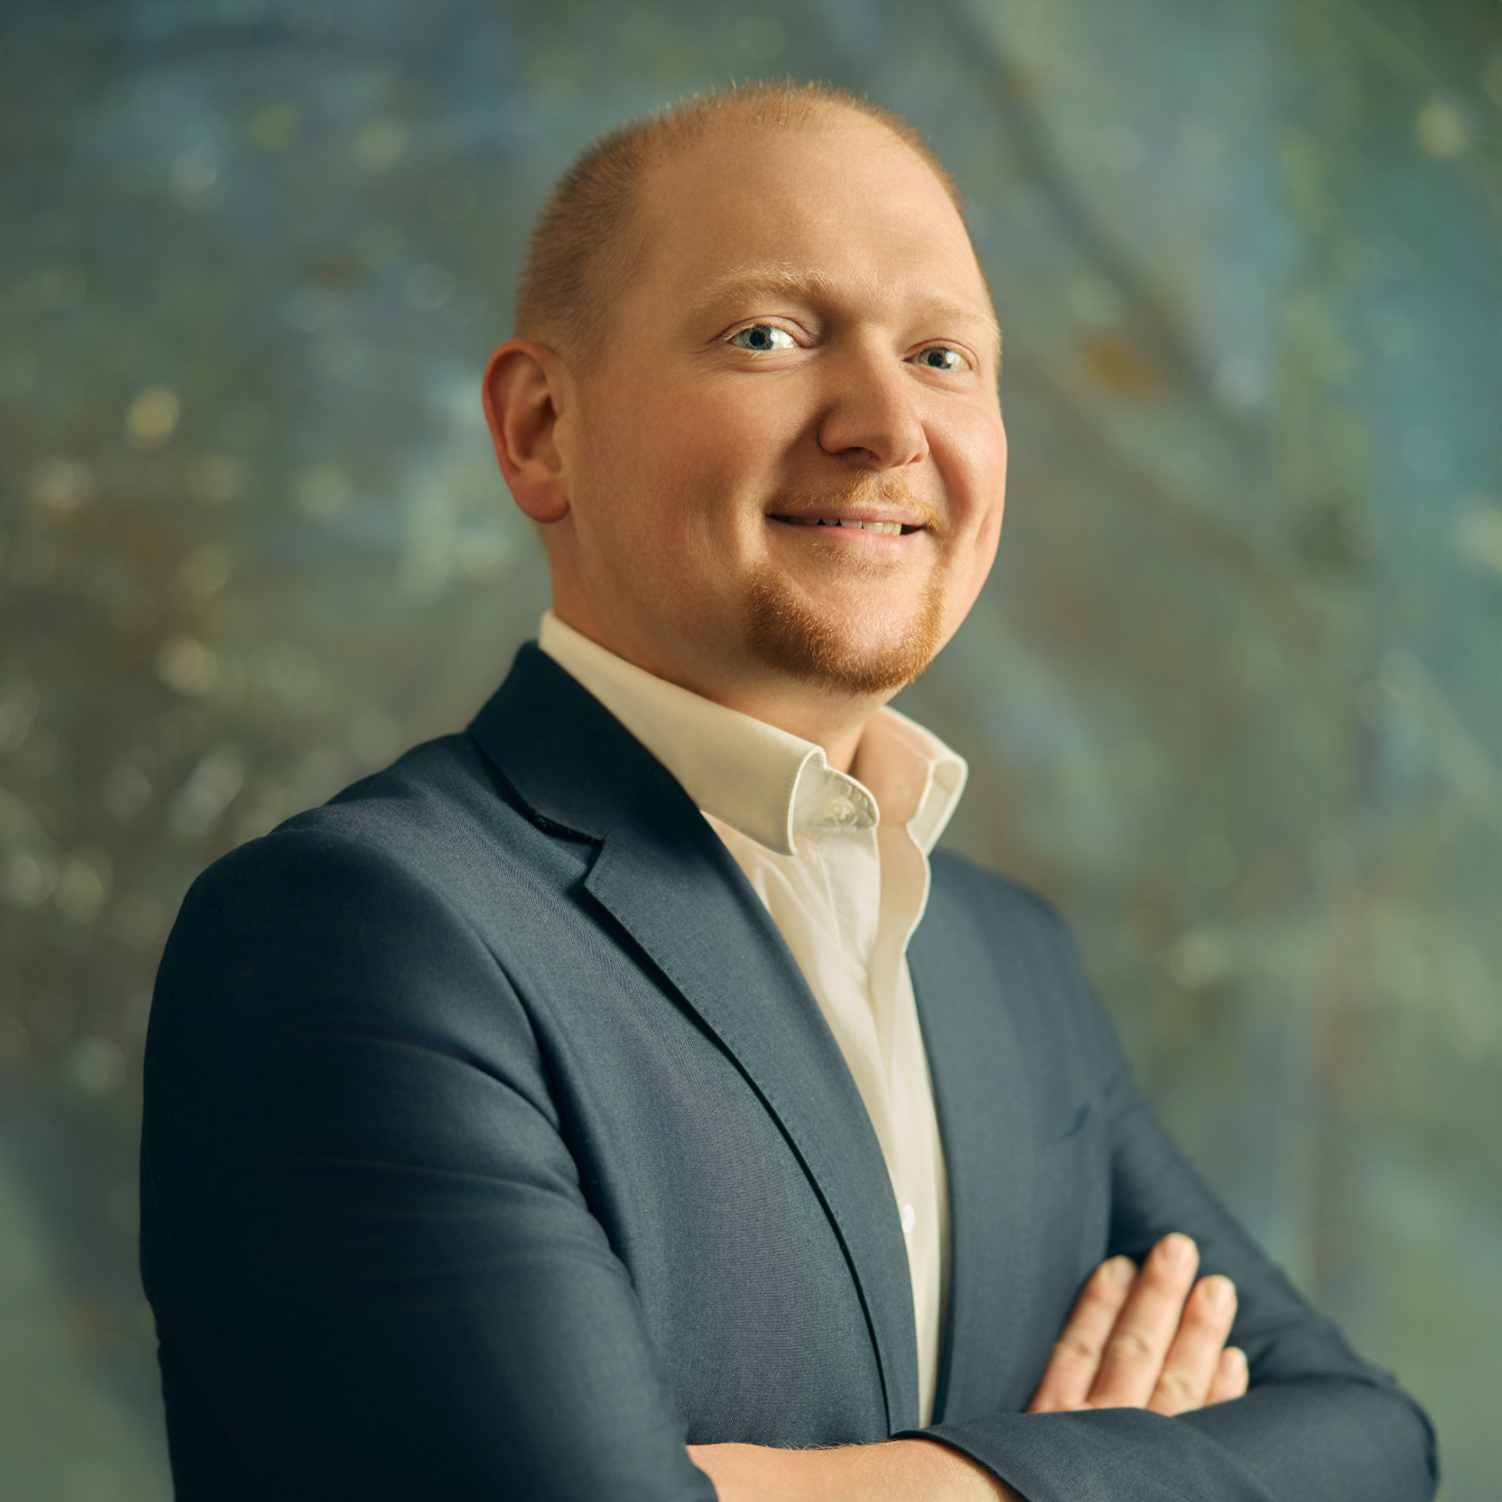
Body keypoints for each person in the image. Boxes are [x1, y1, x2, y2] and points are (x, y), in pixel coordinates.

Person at [139, 82, 1436, 1501]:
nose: (887, 424)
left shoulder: (1011, 961)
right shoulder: (357, 929)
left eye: (941, 354)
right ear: (541, 428)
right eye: (770, 335)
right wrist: (1132, 1474)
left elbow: (1373, 1444)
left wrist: (925, 1488)